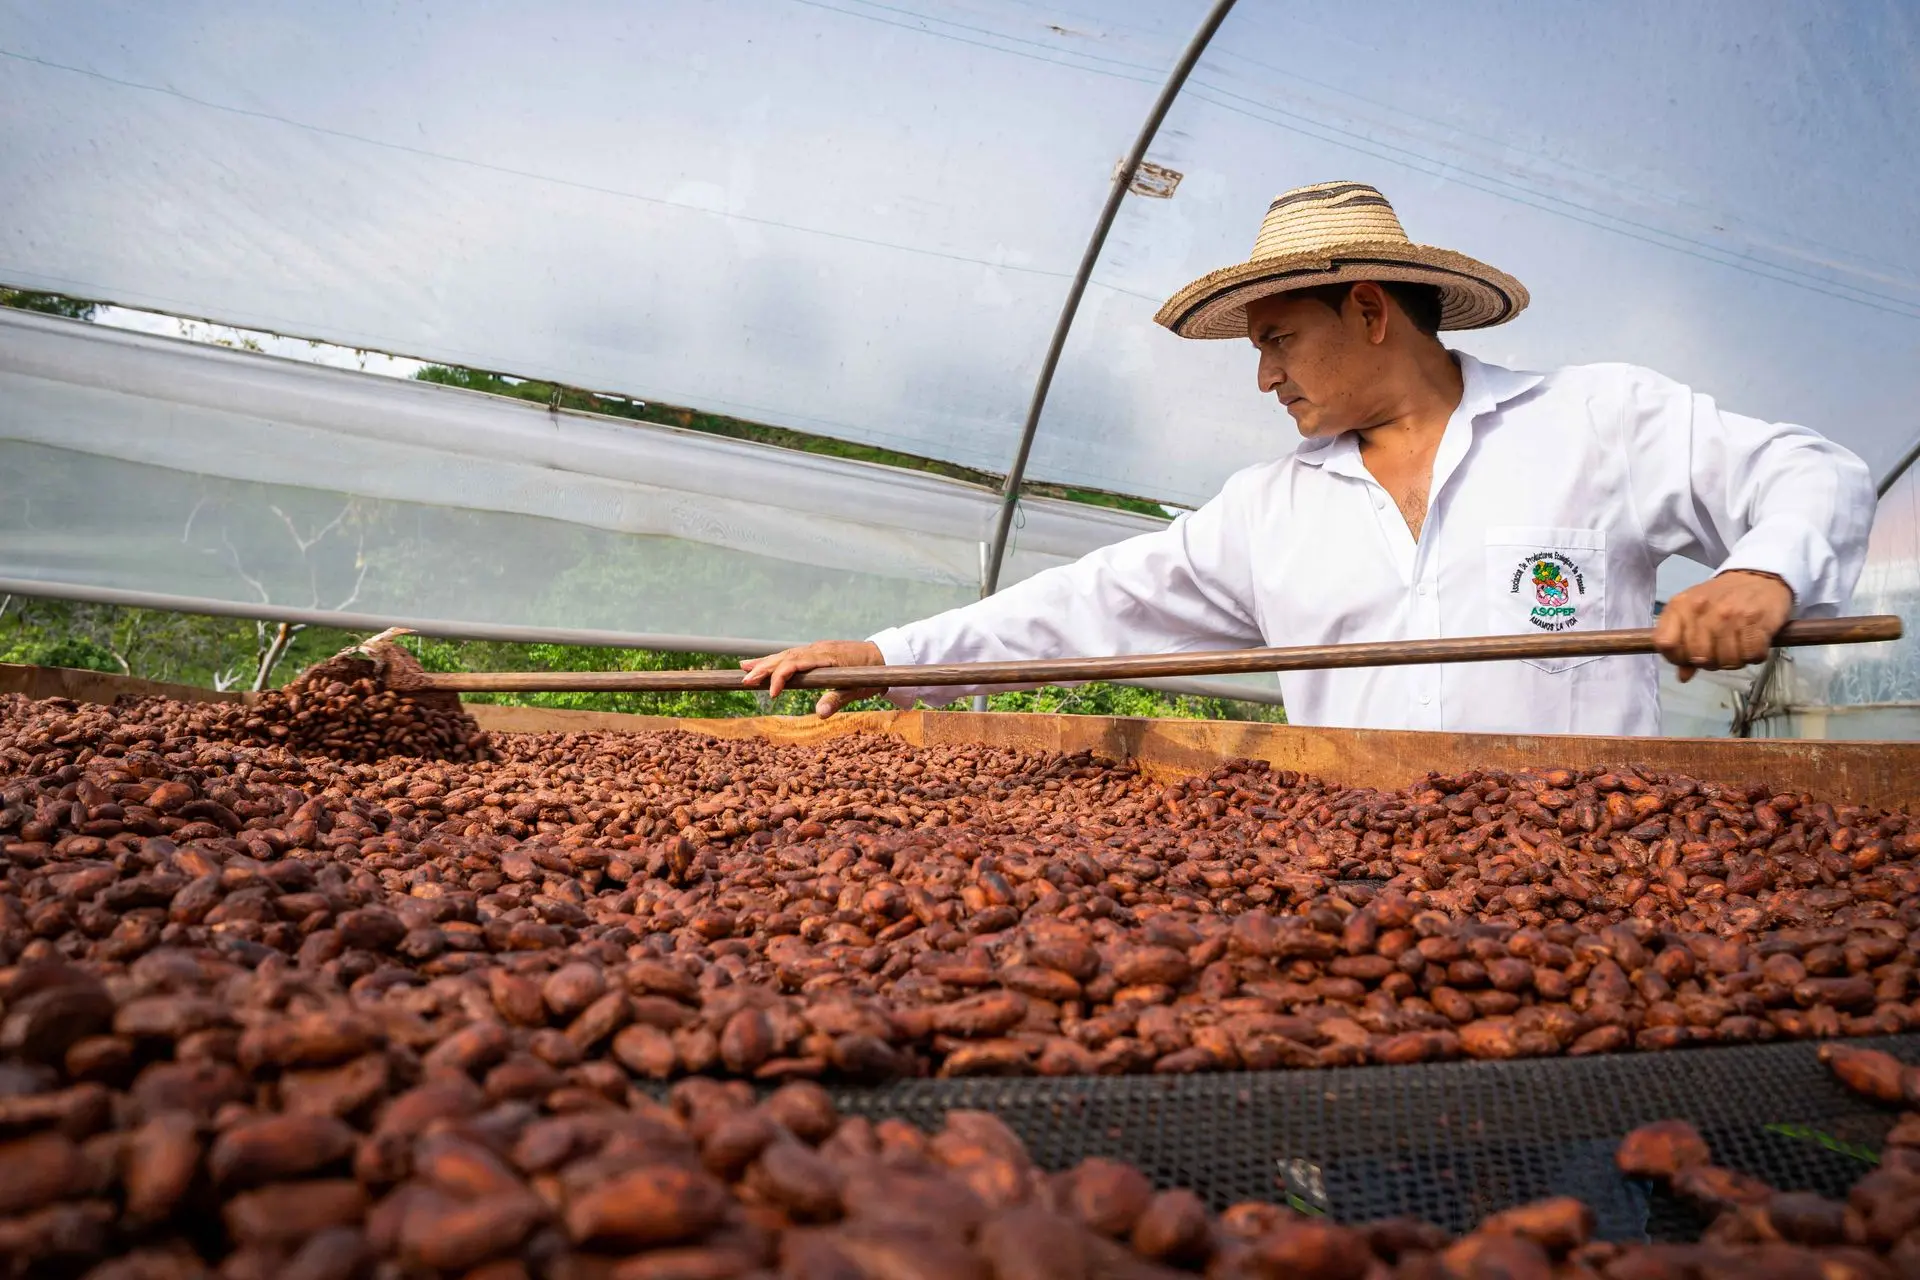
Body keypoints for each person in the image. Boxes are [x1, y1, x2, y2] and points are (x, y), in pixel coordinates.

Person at [742, 181, 1875, 735]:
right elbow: (1090, 604)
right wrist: (893, 653)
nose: (1264, 374)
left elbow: (1813, 472)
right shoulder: (1268, 510)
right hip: (1359, 895)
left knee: (1584, 1177)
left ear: (1372, 309)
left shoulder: (1598, 421)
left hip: (1595, 882)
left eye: (1278, 338)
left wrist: (1759, 573)